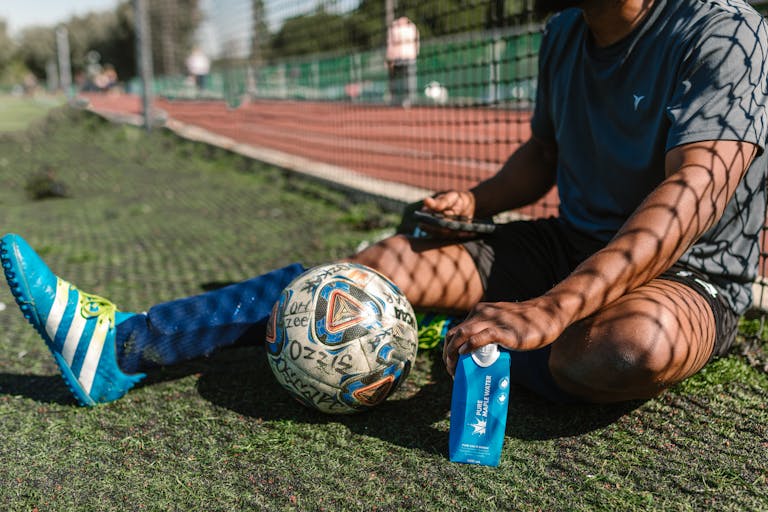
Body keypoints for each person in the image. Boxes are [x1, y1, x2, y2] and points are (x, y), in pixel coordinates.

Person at [2, 0, 767, 407]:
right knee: (376, 268)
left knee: (625, 349)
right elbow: (541, 156)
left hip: (691, 280)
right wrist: (476, 197)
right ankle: (129, 345)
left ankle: (461, 339)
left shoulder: (727, 33)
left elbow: (684, 202)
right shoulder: (564, 32)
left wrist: (555, 309)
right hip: (569, 243)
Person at [386, 16, 420, 107]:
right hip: (397, 57)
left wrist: (416, 52)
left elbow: (416, 41)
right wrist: (390, 58)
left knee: (409, 80)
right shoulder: (393, 27)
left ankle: (409, 100)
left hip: (410, 56)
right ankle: (395, 100)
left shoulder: (412, 27)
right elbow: (390, 43)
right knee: (396, 80)